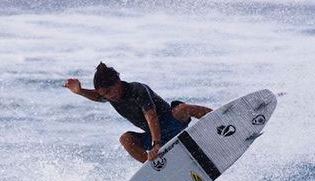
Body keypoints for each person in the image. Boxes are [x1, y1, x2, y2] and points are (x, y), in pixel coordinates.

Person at [63, 62, 212, 163]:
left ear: (117, 82)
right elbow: (98, 96)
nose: (108, 96)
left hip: (171, 122)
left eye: (109, 91)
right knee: (126, 139)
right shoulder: (110, 95)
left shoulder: (137, 89)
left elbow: (151, 116)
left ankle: (221, 118)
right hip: (152, 136)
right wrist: (80, 91)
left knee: (183, 109)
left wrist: (156, 144)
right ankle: (155, 165)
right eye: (105, 95)